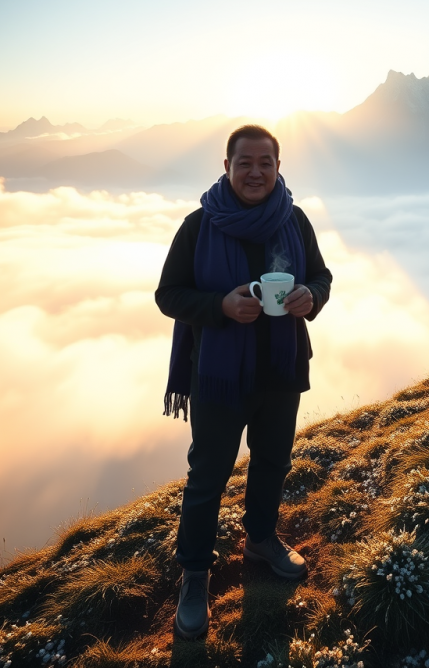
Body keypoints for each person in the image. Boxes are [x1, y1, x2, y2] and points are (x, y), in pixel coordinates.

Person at [155, 124, 332, 639]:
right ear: (227, 166)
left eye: (266, 163)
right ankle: (195, 574)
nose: (255, 172)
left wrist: (310, 297)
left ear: (278, 167)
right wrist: (220, 306)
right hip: (217, 376)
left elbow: (320, 275)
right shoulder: (200, 225)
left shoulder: (294, 220)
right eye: (245, 163)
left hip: (280, 371)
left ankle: (260, 539)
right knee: (208, 474)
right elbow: (169, 294)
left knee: (274, 460)